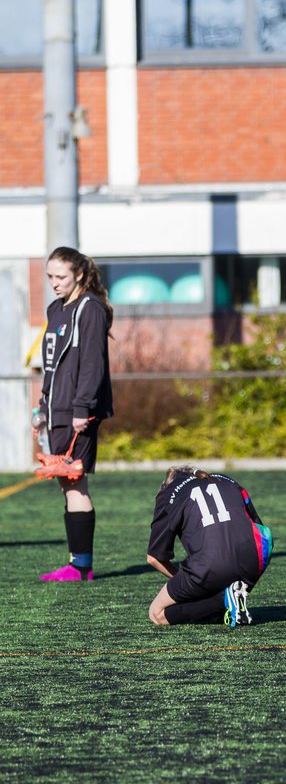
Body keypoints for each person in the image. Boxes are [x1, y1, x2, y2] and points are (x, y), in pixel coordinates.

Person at [37, 246, 114, 582]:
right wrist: (42, 405)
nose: (54, 283)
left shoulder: (90, 308)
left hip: (77, 413)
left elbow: (93, 365)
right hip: (56, 411)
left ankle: (81, 566)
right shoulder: (56, 309)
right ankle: (76, 563)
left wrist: (82, 408)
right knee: (66, 485)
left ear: (79, 275)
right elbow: (52, 366)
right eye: (50, 276)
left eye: (60, 277)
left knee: (75, 483)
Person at [145, 467, 273, 628]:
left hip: (210, 564)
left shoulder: (168, 494)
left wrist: (194, 589)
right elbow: (258, 527)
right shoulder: (228, 480)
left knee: (156, 614)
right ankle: (229, 597)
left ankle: (223, 599)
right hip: (255, 558)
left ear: (166, 484)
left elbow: (154, 558)